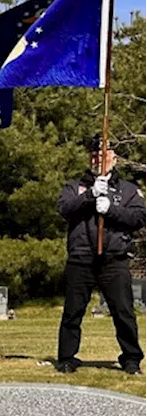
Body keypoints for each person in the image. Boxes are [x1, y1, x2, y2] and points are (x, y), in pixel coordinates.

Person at [56, 136, 147, 375]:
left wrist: (111, 209)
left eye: (105, 155)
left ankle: (131, 359)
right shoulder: (74, 187)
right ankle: (66, 357)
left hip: (114, 259)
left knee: (123, 311)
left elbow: (139, 218)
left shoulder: (128, 190)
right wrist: (90, 196)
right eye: (95, 156)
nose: (100, 160)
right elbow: (65, 209)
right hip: (82, 256)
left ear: (114, 158)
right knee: (73, 310)